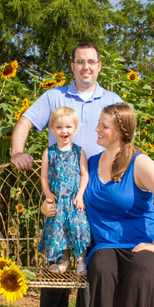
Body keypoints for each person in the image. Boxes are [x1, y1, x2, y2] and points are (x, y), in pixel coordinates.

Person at [43, 103, 154, 307]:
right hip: (106, 244)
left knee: (143, 269)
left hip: (144, 239)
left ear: (120, 132)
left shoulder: (139, 162)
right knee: (103, 268)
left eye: (104, 126)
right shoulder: (91, 163)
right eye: (99, 124)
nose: (97, 129)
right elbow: (65, 196)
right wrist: (46, 206)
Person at [11, 42, 121, 307]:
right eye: (80, 61)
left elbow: (124, 137)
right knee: (57, 244)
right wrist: (17, 152)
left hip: (96, 182)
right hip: (58, 185)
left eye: (92, 62)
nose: (86, 66)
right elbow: (25, 121)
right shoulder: (54, 96)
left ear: (99, 66)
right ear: (72, 66)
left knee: (93, 243)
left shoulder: (112, 99)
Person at [39, 106, 92, 275]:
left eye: (68, 127)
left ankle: (81, 260)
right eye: (59, 127)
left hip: (74, 201)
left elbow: (84, 175)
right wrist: (48, 194)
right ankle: (64, 261)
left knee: (79, 227)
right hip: (59, 201)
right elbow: (44, 177)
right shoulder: (49, 152)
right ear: (52, 129)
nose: (64, 131)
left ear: (75, 128)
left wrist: (80, 195)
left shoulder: (78, 152)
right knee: (59, 230)